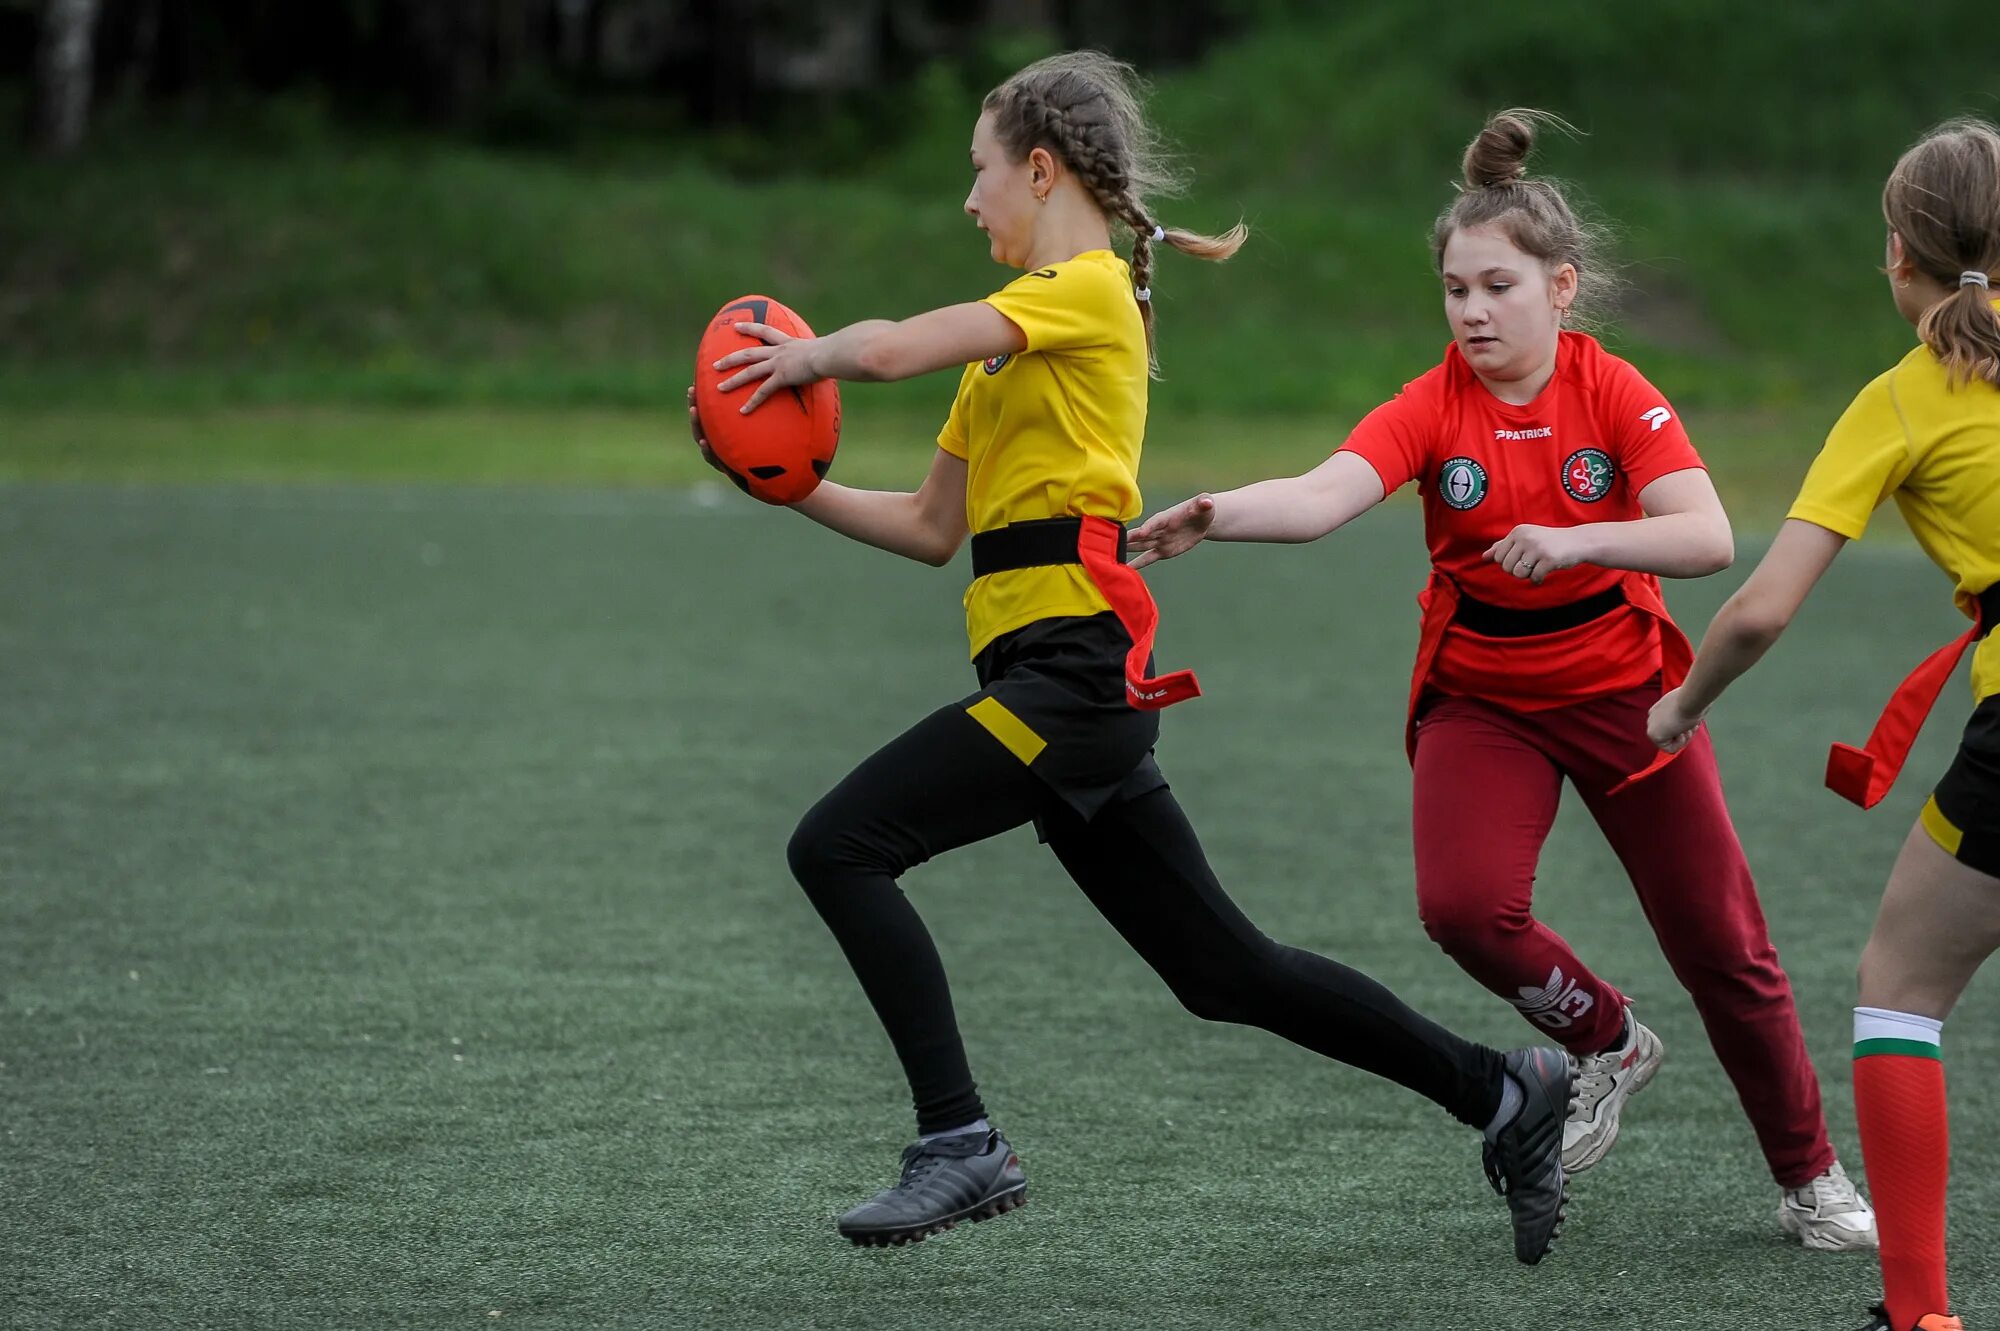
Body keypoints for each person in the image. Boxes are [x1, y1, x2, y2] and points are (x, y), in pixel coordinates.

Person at [686, 53, 1574, 1264]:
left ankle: (959, 1142)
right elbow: (928, 530)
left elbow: (893, 348)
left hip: (1074, 680)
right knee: (1226, 969)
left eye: (978, 172)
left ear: (1038, 168)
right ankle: (1500, 1089)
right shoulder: (1006, 356)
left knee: (837, 845)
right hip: (1046, 688)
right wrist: (781, 483)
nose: (969, 200)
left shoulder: (1089, 290)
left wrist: (809, 359)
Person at [1129, 108, 1874, 1249]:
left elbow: (1707, 535)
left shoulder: (1613, 392)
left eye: (1496, 287)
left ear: (1560, 287)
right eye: (1453, 289)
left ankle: (1809, 1174)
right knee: (1462, 910)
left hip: (1631, 695)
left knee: (1724, 946)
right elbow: (1326, 491)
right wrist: (1216, 513)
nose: (1471, 311)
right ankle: (1606, 1037)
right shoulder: (1432, 402)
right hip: (1482, 695)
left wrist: (1580, 539)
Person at [1648, 118, 2000, 1331]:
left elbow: (1757, 609)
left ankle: (1918, 1314)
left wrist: (1683, 702)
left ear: (1897, 255)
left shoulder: (1902, 398)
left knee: (1899, 989)